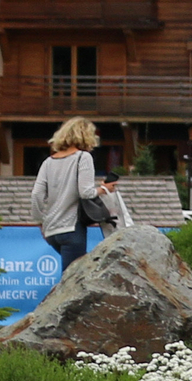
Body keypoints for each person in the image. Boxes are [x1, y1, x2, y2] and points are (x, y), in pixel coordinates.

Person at [32, 117, 117, 273]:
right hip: (72, 229)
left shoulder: (48, 162)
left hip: (51, 231)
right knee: (73, 280)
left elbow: (37, 194)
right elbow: (86, 192)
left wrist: (40, 222)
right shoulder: (83, 157)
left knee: (72, 278)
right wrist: (104, 189)